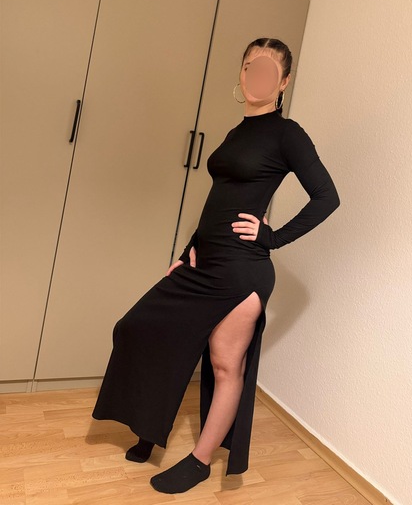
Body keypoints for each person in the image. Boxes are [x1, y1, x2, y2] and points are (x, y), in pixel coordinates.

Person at [92, 37, 340, 494]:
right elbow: (220, 198)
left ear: (283, 82)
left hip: (241, 271)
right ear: (242, 74)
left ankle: (200, 461)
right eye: (250, 66)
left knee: (226, 366)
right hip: (204, 262)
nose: (256, 76)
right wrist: (189, 248)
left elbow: (327, 197)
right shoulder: (237, 132)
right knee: (139, 329)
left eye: (267, 69)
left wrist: (272, 237)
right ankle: (150, 427)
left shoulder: (287, 134)